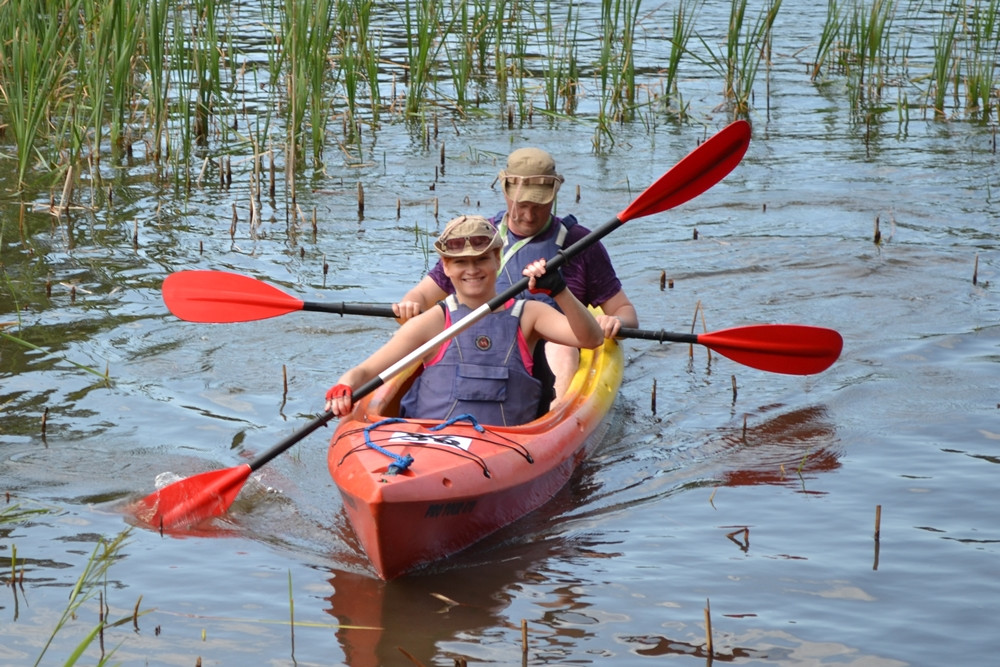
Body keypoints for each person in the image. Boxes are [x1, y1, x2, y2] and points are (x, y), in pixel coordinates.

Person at [393, 147, 638, 399]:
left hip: (552, 346)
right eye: (521, 204)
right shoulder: (478, 238)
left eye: (539, 205)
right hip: (482, 341)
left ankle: (557, 415)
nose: (529, 216)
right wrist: (410, 305)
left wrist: (616, 322)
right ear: (505, 191)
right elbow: (423, 294)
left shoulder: (581, 243)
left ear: (554, 194)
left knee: (562, 348)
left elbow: (624, 311)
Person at [325, 215, 603, 427]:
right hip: (430, 446)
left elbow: (591, 339)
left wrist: (560, 290)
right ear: (446, 267)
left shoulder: (529, 315)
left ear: (497, 259)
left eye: (481, 259)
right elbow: (365, 372)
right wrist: (343, 387)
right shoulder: (433, 322)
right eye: (460, 262)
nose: (471, 270)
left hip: (505, 450)